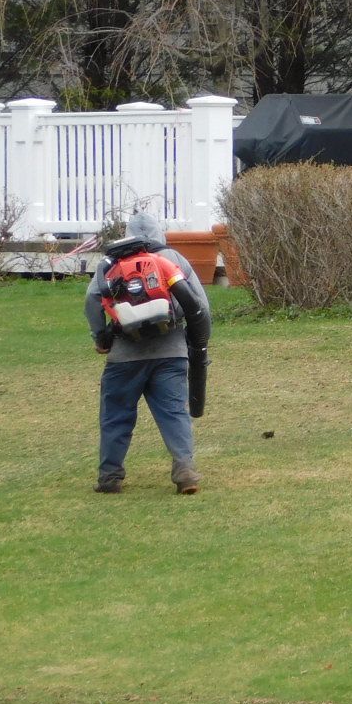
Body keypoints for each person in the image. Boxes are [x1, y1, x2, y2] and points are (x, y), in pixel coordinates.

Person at [84, 209, 211, 494]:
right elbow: (200, 308)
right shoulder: (173, 259)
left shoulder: (112, 262)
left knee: (116, 414)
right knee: (174, 412)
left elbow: (92, 300)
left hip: (124, 355)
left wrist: (101, 337)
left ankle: (110, 476)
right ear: (160, 232)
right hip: (172, 352)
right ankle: (185, 470)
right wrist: (198, 345)